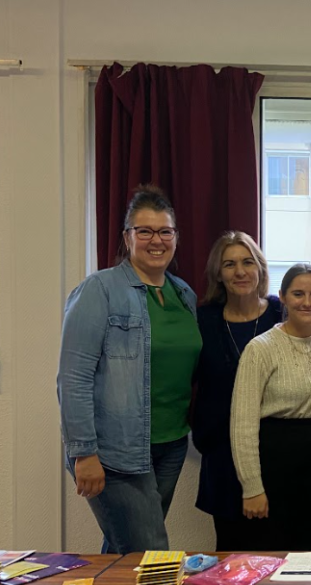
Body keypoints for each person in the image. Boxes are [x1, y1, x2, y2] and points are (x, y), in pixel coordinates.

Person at [58, 185, 201, 553]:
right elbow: (72, 377)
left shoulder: (183, 294)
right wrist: (83, 452)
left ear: (175, 237)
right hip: (114, 452)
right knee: (148, 552)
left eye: (165, 231)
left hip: (169, 446)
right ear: (127, 236)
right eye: (145, 231)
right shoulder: (99, 290)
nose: (157, 240)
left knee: (125, 550)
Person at [230, 265, 311, 551]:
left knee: (307, 548)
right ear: (282, 297)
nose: (307, 302)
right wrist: (252, 487)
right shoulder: (260, 349)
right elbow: (242, 423)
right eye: (298, 294)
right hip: (273, 455)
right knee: (271, 548)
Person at [193, 232, 282, 550]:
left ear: (260, 268)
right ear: (218, 273)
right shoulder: (203, 320)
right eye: (229, 264)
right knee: (232, 556)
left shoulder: (281, 315)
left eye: (247, 262)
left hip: (276, 453)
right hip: (222, 457)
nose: (240, 272)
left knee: (280, 551)